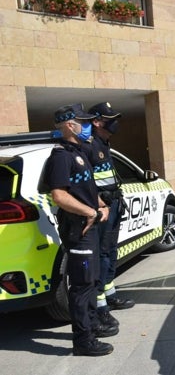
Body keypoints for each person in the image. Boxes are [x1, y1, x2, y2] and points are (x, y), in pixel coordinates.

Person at [43, 103, 116, 356]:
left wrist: (101, 205)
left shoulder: (80, 151)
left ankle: (93, 324)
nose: (87, 126)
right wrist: (90, 212)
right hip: (79, 230)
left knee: (93, 279)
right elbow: (59, 196)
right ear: (69, 125)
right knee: (82, 285)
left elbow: (87, 189)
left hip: (91, 226)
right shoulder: (61, 156)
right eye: (82, 122)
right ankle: (83, 340)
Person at [84, 102, 135, 329]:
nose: (115, 123)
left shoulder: (104, 142)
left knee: (111, 251)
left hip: (113, 203)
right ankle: (100, 305)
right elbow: (86, 183)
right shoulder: (90, 145)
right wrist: (100, 203)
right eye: (110, 118)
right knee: (102, 255)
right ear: (97, 121)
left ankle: (110, 293)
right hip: (102, 208)